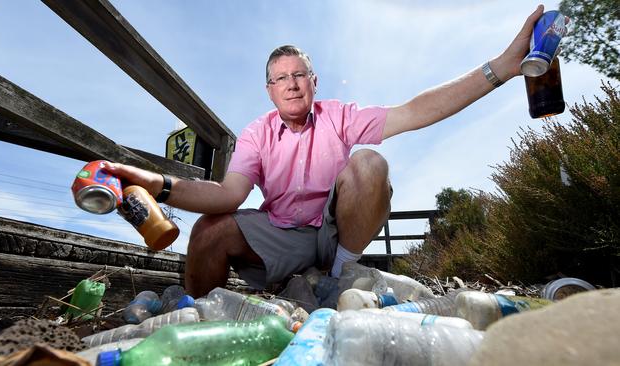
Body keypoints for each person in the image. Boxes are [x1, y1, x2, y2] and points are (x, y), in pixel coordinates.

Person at [105, 5, 546, 298]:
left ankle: (339, 274)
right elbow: (227, 196)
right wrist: (157, 184)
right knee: (207, 231)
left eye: (300, 74)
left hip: (335, 234)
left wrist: (501, 69)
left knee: (370, 162)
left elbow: (416, 111)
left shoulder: (339, 116)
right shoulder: (257, 132)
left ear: (315, 83)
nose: (292, 83)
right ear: (270, 91)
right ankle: (199, 324)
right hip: (284, 233)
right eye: (281, 78)